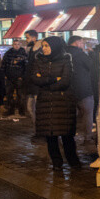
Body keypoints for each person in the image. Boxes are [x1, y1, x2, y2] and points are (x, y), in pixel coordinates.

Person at [31, 36, 80, 171]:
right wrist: (53, 79)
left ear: (55, 46)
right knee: (50, 136)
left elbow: (65, 81)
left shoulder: (66, 59)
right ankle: (56, 162)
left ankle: (73, 161)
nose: (44, 49)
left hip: (63, 103)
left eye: (47, 46)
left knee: (67, 136)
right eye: (43, 46)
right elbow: (35, 78)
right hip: (45, 104)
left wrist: (46, 84)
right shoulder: (39, 60)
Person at [66, 36, 94, 145]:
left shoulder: (64, 54)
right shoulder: (81, 54)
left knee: (70, 115)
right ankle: (87, 138)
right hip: (83, 89)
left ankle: (69, 137)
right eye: (82, 42)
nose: (83, 45)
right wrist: (91, 54)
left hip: (68, 89)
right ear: (77, 43)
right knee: (87, 113)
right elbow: (91, 65)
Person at [2, 39, 28, 116]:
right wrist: (5, 75)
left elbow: (26, 67)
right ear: (12, 45)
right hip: (9, 77)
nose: (16, 46)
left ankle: (21, 111)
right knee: (9, 95)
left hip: (19, 78)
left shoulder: (23, 54)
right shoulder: (8, 54)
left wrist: (22, 76)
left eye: (18, 44)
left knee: (20, 95)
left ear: (20, 45)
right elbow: (4, 65)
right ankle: (10, 110)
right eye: (15, 44)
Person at [24, 30, 42, 127]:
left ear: (34, 38)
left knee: (36, 108)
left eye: (27, 37)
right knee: (30, 108)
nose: (26, 40)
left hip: (37, 85)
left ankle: (40, 130)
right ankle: (38, 128)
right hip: (30, 84)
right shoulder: (31, 50)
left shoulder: (40, 50)